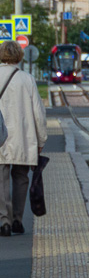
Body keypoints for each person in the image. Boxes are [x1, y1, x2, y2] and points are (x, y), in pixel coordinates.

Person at [0, 40, 48, 238]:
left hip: (0, 139)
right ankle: (18, 220)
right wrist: (41, 139)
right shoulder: (27, 79)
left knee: (1, 181)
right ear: (19, 56)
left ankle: (4, 221)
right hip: (23, 138)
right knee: (21, 178)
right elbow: (39, 113)